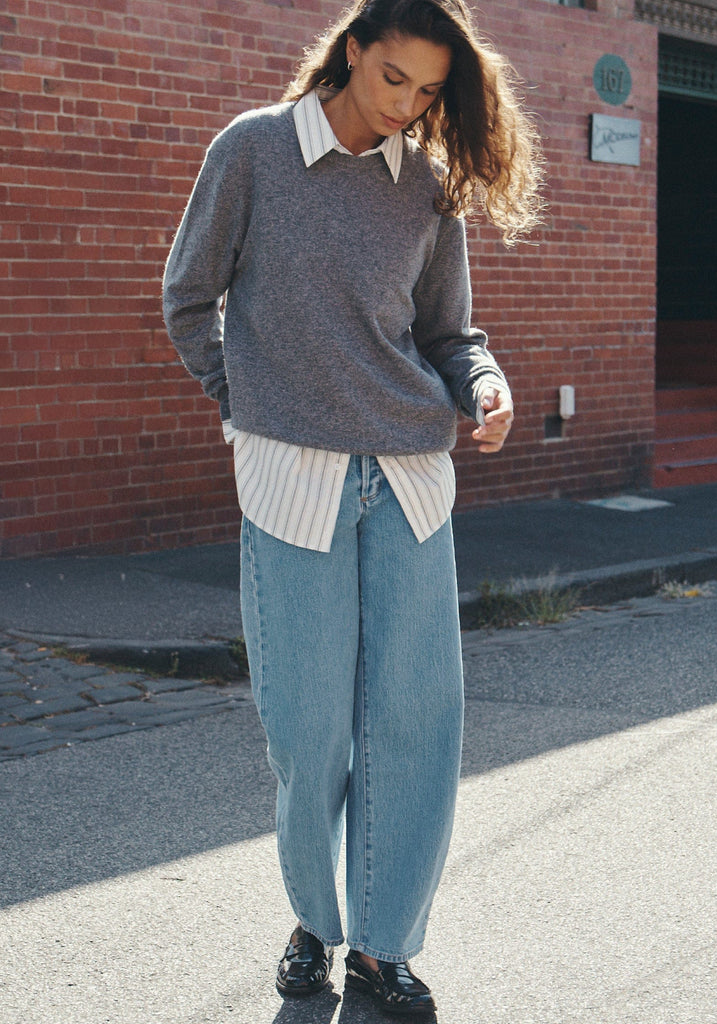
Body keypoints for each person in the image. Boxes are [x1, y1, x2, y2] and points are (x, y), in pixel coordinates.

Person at [163, 0, 543, 1015]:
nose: (406, 105)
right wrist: (247, 405)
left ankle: (382, 945)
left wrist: (484, 384)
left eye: (428, 91)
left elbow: (449, 334)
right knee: (307, 731)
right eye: (393, 79)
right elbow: (187, 297)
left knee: (415, 721)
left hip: (407, 478)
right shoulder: (253, 151)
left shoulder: (426, 183)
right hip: (291, 482)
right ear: (351, 51)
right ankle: (313, 921)